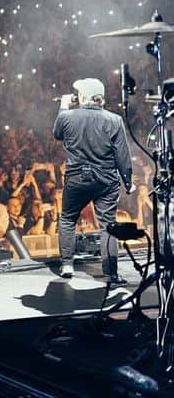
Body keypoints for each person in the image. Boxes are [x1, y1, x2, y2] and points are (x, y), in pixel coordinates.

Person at [53, 78, 134, 284]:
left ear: (82, 97)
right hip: (106, 179)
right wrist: (128, 181)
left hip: (77, 177)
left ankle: (67, 265)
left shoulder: (67, 116)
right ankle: (111, 273)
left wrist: (63, 105)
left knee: (68, 219)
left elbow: (57, 134)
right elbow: (122, 154)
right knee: (108, 224)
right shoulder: (114, 120)